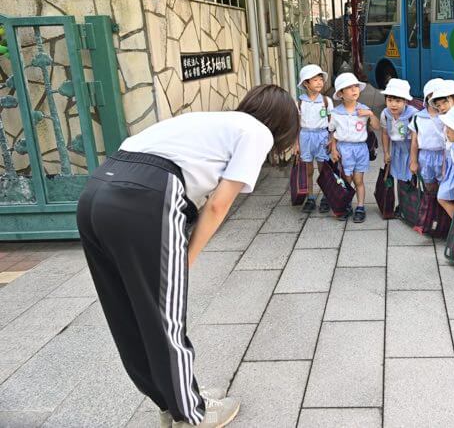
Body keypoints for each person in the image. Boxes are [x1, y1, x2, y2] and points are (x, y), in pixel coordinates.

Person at [76, 85, 300, 427]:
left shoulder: (212, 121)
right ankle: (191, 414)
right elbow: (218, 205)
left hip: (96, 193)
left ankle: (170, 402)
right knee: (165, 318)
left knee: (126, 313)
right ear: (283, 124)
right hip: (145, 197)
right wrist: (186, 258)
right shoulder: (257, 132)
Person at [329, 72, 379, 222]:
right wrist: (333, 149)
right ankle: (346, 204)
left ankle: (360, 207)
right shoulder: (336, 113)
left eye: (356, 86)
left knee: (359, 180)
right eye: (349, 88)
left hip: (360, 149)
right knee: (346, 180)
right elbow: (332, 132)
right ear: (341, 94)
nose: (354, 90)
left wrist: (370, 114)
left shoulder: (364, 109)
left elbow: (376, 126)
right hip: (344, 149)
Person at [296, 64, 333, 213]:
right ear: (306, 83)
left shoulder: (326, 101)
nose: (319, 82)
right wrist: (296, 143)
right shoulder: (300, 102)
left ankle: (326, 196)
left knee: (323, 169)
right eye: (315, 80)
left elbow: (332, 121)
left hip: (322, 136)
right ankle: (310, 197)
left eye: (321, 79)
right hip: (305, 136)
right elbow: (296, 124)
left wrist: (332, 139)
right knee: (308, 170)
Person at [431, 80, 454, 218]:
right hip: (451, 164)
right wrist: (444, 167)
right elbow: (446, 147)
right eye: (438, 105)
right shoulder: (447, 121)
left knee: (445, 197)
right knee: (453, 198)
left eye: (445, 102)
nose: (441, 107)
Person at [409, 78, 446, 192]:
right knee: (428, 186)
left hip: (444, 155)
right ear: (427, 97)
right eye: (433, 95)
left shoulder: (447, 116)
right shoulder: (418, 117)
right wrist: (413, 161)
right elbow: (414, 141)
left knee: (444, 188)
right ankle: (431, 203)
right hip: (425, 156)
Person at [380, 78, 416, 191]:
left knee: (412, 178)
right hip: (397, 150)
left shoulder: (413, 115)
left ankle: (413, 200)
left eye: (398, 101)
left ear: (405, 101)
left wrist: (414, 159)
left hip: (411, 149)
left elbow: (416, 139)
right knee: (399, 177)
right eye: (390, 100)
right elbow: (385, 133)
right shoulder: (385, 114)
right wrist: (386, 152)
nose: (393, 104)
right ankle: (402, 200)